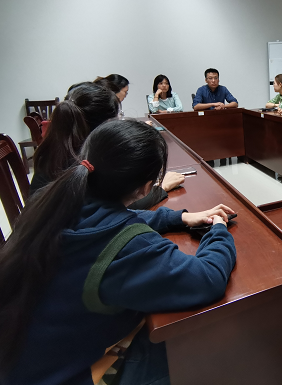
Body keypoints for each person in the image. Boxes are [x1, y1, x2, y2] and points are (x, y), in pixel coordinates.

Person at [0, 119, 236, 385]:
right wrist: (218, 230)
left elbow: (114, 218)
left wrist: (179, 218)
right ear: (146, 187)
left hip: (20, 362)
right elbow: (206, 278)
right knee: (194, 341)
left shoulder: (53, 202)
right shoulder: (127, 247)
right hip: (67, 376)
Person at [30, 83, 184, 208]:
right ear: (104, 126)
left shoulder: (55, 148)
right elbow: (113, 211)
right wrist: (159, 188)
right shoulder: (82, 163)